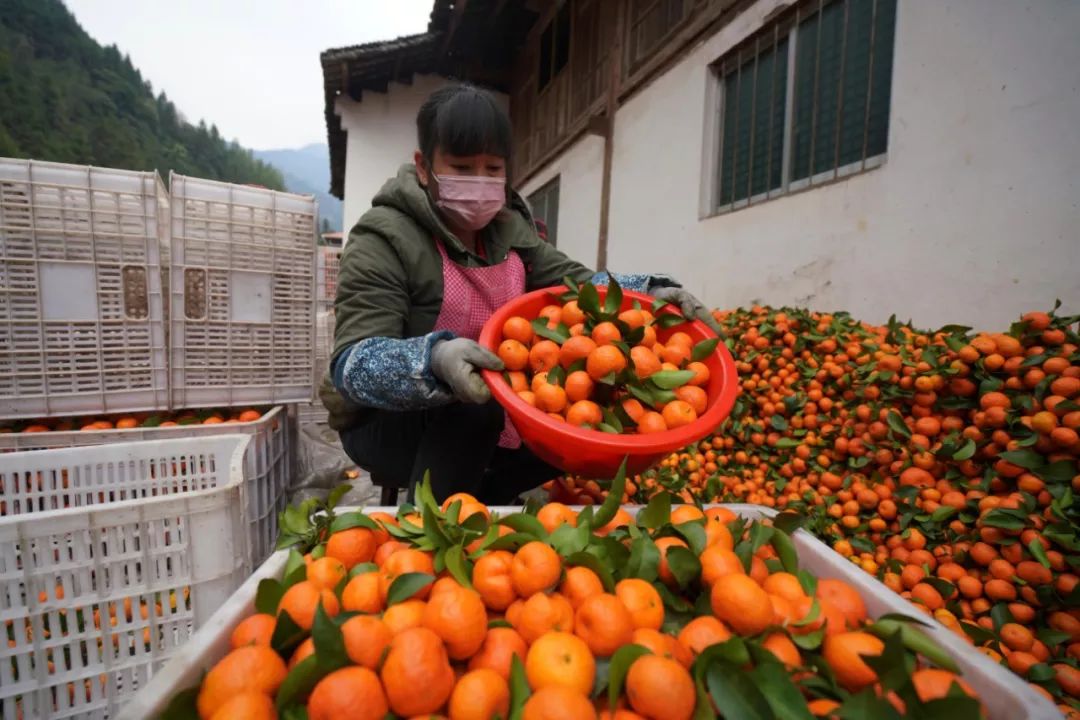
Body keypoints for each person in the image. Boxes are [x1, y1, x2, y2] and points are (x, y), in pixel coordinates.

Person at [321, 83, 720, 504]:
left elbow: (580, 286)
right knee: (476, 408)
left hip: (492, 405)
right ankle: (433, 533)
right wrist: (434, 360)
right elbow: (353, 366)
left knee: (581, 413)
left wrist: (652, 290)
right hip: (391, 420)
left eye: (492, 169)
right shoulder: (384, 237)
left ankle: (490, 504)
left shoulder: (511, 233)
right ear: (423, 167)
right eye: (461, 167)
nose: (479, 183)